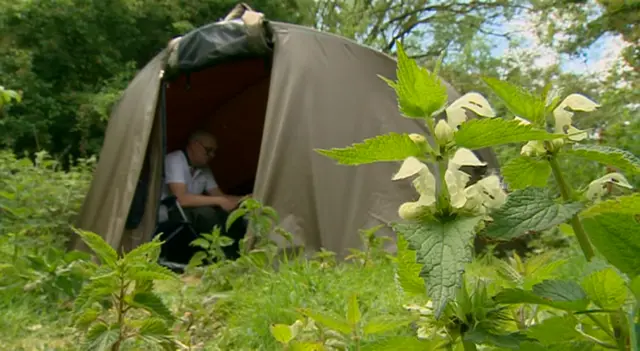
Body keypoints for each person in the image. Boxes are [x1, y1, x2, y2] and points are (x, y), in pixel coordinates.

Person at [159, 130, 248, 261]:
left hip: (191, 211)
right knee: (207, 213)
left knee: (232, 215)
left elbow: (221, 196)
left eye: (214, 152)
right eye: (208, 150)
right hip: (171, 210)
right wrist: (218, 200)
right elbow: (180, 198)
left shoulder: (204, 169)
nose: (212, 155)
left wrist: (246, 198)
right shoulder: (175, 159)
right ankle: (223, 257)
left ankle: (236, 255)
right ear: (194, 145)